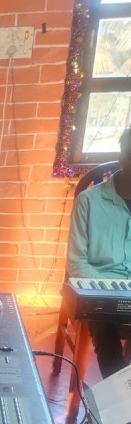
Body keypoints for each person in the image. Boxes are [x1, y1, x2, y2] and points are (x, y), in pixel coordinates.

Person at [67, 127, 131, 378]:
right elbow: (76, 262)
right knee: (104, 325)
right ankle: (119, 397)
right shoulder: (89, 201)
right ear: (123, 157)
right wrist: (110, 290)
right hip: (98, 289)